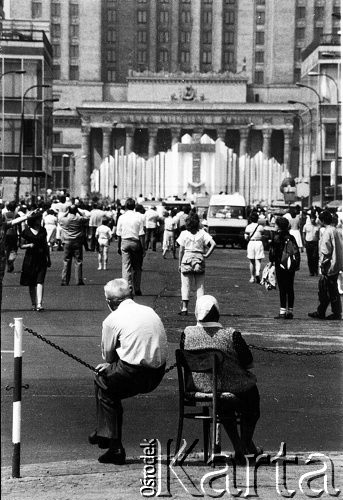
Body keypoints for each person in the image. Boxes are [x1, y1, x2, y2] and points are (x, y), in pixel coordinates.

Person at [89, 278, 167, 464]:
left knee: (102, 382)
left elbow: (108, 357)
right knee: (108, 382)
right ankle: (105, 433)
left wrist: (111, 365)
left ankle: (112, 442)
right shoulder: (149, 311)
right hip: (157, 372)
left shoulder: (112, 320)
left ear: (111, 303)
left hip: (133, 372)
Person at [181, 295, 260, 464]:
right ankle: (245, 443)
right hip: (230, 386)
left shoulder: (187, 334)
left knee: (223, 407)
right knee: (251, 398)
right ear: (217, 313)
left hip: (199, 387)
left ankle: (239, 446)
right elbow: (249, 364)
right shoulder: (231, 335)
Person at [177, 212, 216, 315]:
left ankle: (184, 308)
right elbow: (213, 244)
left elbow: (181, 250)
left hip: (186, 259)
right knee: (200, 286)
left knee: (185, 285)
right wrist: (206, 255)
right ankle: (200, 309)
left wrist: (179, 264)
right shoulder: (203, 233)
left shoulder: (184, 233)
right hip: (199, 259)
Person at [308, 210, 343, 320]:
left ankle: (329, 312)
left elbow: (326, 251)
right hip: (336, 264)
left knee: (326, 289)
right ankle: (323, 310)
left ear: (322, 220)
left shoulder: (328, 232)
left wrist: (322, 265)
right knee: (330, 289)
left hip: (329, 266)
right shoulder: (335, 230)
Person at [269, 216, 300, 319]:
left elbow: (272, 253)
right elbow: (296, 252)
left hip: (280, 265)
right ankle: (290, 311)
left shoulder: (277, 237)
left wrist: (272, 262)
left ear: (279, 226)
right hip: (290, 265)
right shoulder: (291, 237)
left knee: (282, 288)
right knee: (290, 287)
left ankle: (282, 311)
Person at [20, 212, 51, 311]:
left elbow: (45, 245)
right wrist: (28, 245)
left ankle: (39, 304)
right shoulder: (26, 231)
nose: (40, 220)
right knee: (31, 283)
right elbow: (20, 245)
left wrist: (48, 258)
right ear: (34, 220)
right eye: (39, 219)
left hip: (41, 258)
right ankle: (34, 303)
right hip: (30, 259)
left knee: (40, 281)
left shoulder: (43, 230)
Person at [117, 198, 145, 296]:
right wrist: (143, 248)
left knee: (126, 267)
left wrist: (118, 246)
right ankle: (137, 288)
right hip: (135, 242)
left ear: (125, 206)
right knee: (137, 267)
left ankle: (128, 288)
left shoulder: (121, 217)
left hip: (124, 242)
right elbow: (141, 234)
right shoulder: (139, 217)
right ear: (134, 206)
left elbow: (119, 234)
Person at [59, 204, 88, 286]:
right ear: (76, 211)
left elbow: (60, 219)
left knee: (66, 261)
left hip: (67, 241)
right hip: (77, 241)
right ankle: (79, 280)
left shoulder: (65, 220)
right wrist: (79, 212)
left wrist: (66, 212)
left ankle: (64, 280)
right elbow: (86, 218)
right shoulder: (79, 219)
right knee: (78, 261)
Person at [244, 212, 265, 283]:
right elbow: (263, 235)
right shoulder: (260, 227)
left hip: (251, 242)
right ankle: (257, 273)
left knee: (251, 261)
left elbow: (246, 237)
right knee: (258, 260)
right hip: (259, 242)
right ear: (257, 219)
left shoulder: (248, 227)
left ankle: (252, 277)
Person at [302, 212, 320, 276]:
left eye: (314, 218)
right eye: (312, 218)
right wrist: (304, 241)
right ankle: (311, 271)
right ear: (310, 219)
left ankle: (316, 271)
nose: (313, 220)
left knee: (315, 257)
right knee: (309, 258)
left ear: (315, 219)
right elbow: (303, 233)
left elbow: (319, 235)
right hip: (308, 243)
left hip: (315, 243)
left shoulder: (318, 226)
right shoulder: (306, 226)